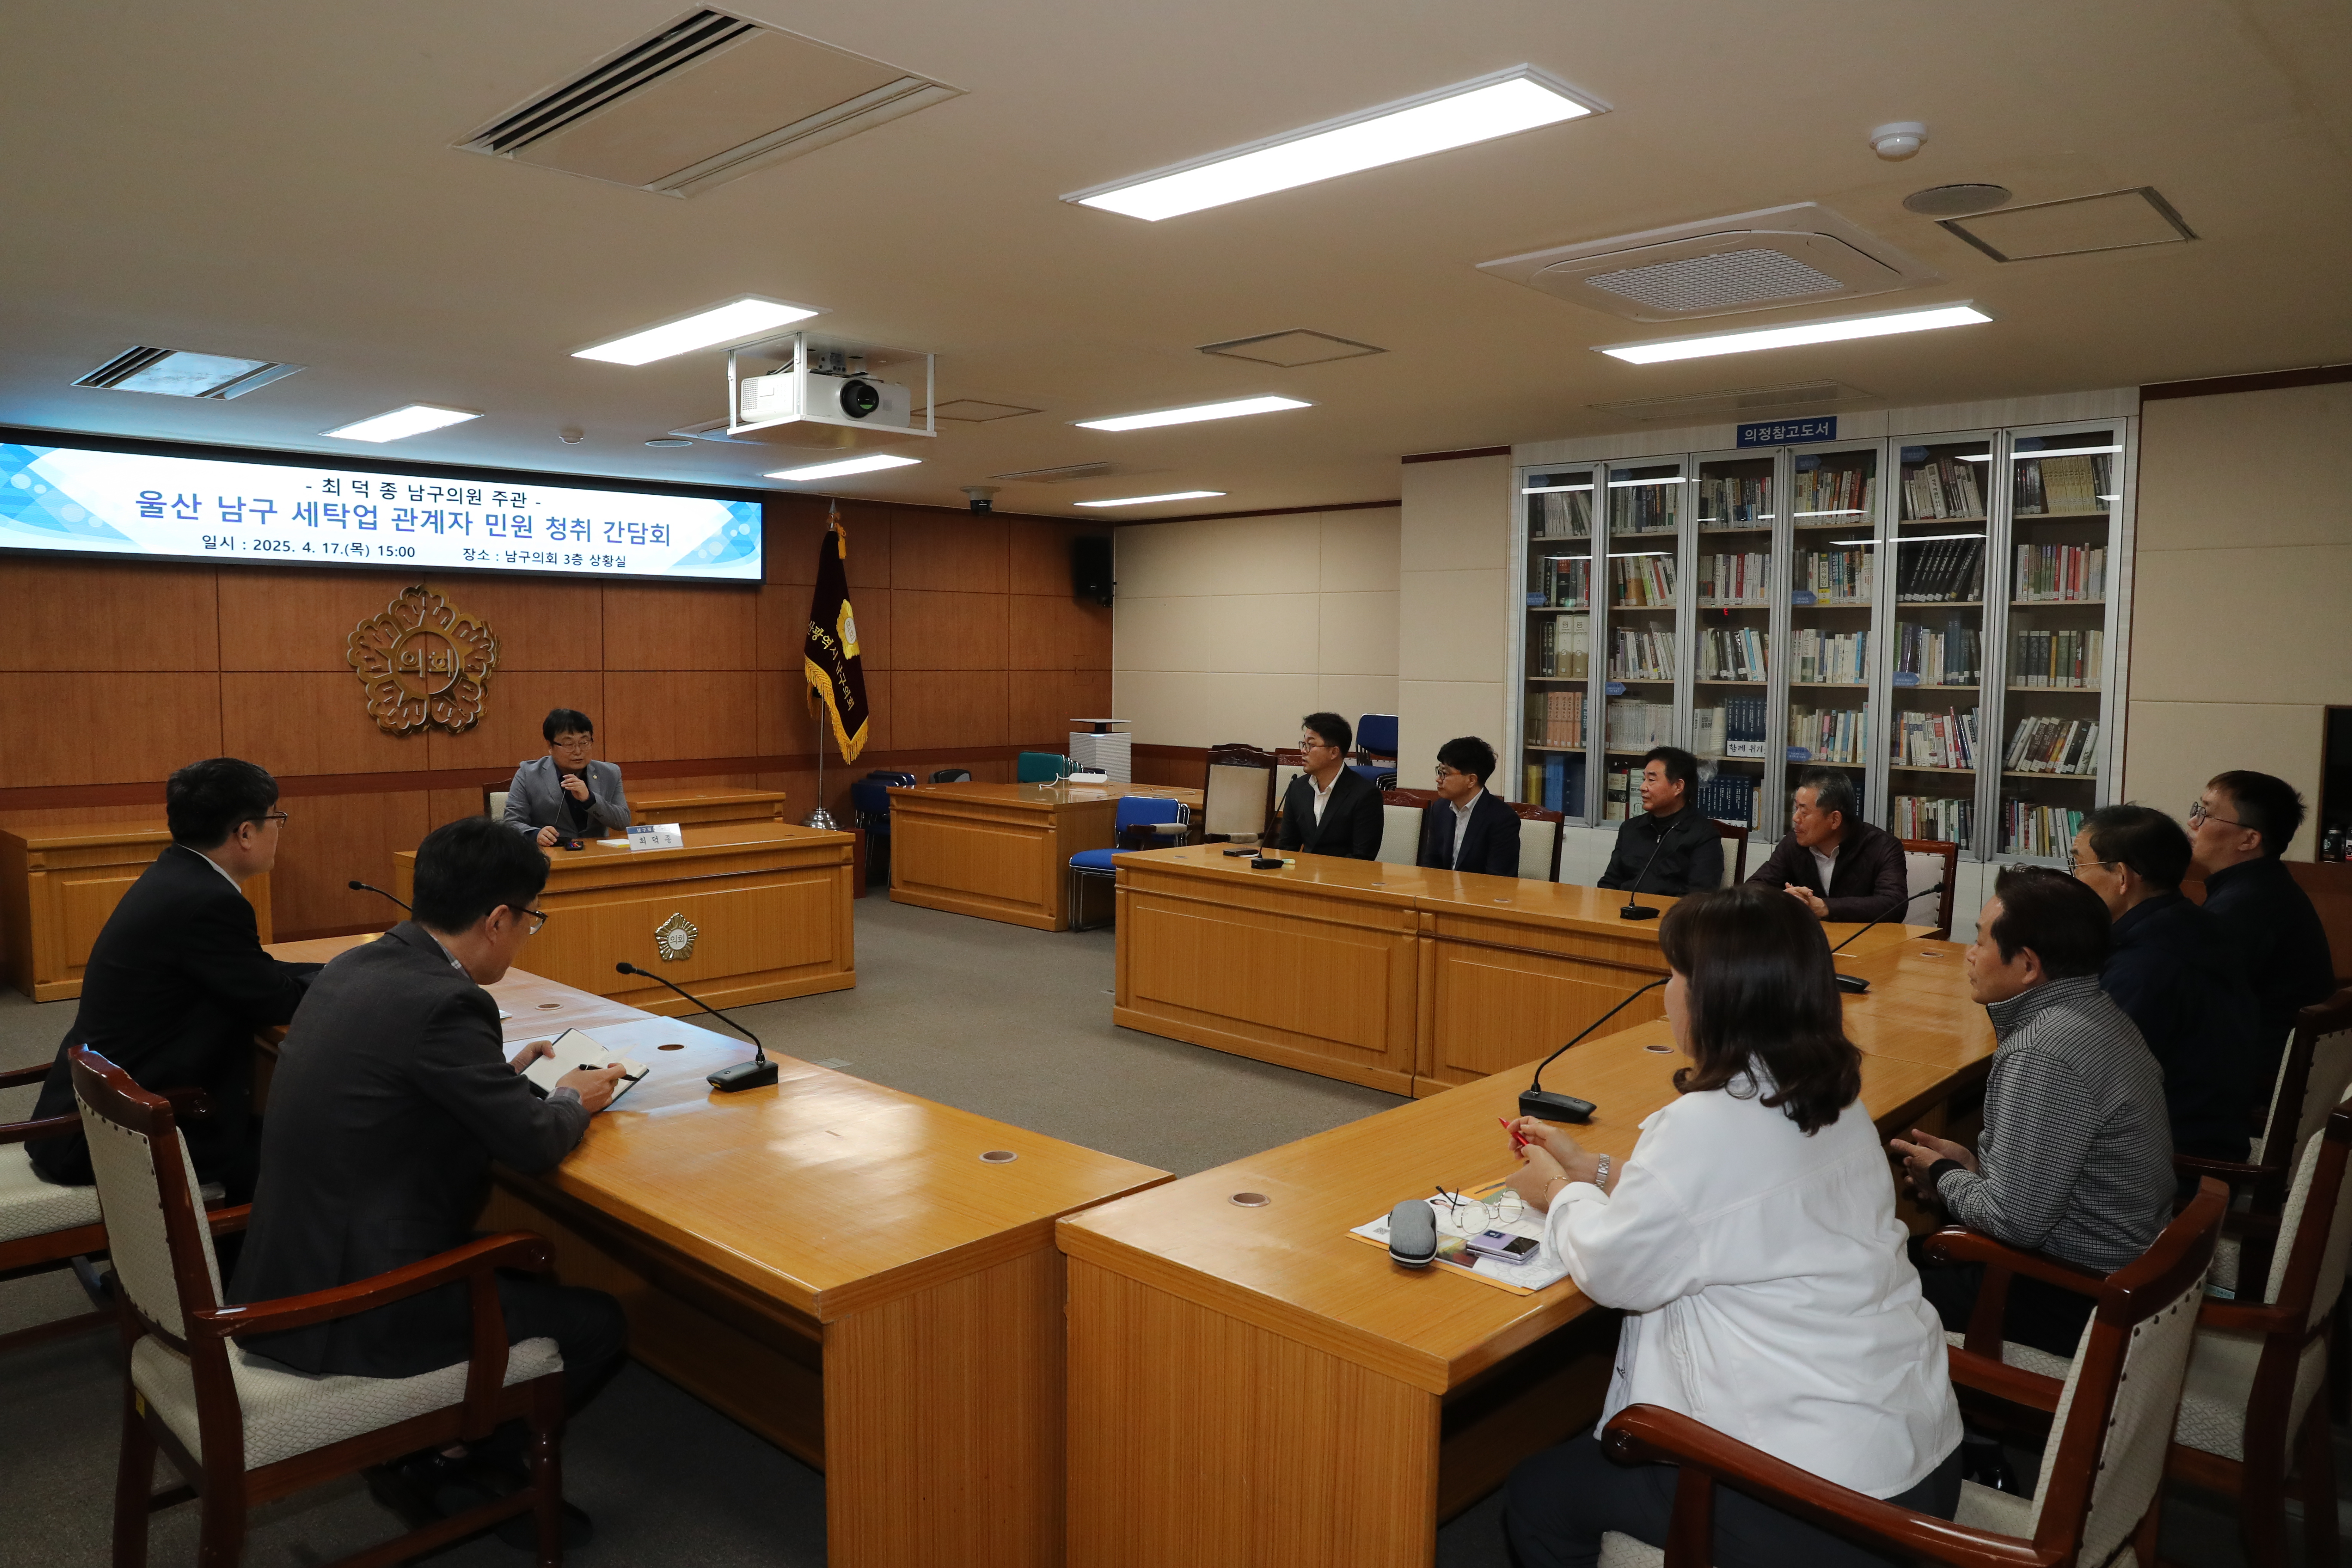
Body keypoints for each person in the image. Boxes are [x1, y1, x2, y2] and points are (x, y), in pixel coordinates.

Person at [1501, 887, 1962, 1568]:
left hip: (1818, 1506)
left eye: (1674, 976)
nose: (1666, 994)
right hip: (1917, 1459)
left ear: (1716, 997)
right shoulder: (1828, 1096)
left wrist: (1559, 1191)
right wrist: (1595, 1169)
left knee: (1537, 1495)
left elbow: (1612, 1270)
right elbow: (1724, 1207)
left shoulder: (1707, 1126)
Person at [230, 816, 628, 1535]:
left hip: (286, 1268)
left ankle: (441, 1444)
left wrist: (497, 1078)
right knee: (599, 1323)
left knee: (531, 1278)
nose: (527, 933)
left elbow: (400, 1083)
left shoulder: (361, 963)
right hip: (360, 1301)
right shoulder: (449, 1001)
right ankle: (451, 1460)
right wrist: (573, 1095)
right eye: (531, 920)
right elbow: (536, 1143)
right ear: (499, 919)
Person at [1890, 868, 2175, 1360]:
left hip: (2075, 1296)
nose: (1971, 954)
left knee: (1865, 1282)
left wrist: (1942, 1175)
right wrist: (1974, 1170)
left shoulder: (2044, 1052)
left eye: (1979, 941)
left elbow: (2016, 1225)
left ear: (2027, 965)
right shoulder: (2095, 1011)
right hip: (2121, 1272)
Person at [27, 757, 320, 1203]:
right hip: (121, 1133)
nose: (279, 828)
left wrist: (325, 972)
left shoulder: (177, 875)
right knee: (306, 1142)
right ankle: (241, 1267)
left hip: (100, 1108)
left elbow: (248, 973)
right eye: (276, 818)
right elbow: (276, 1002)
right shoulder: (208, 902)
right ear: (244, 833)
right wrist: (349, 982)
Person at [2071, 805, 2257, 1162]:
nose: (2074, 880)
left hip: (2168, 1160)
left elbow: (2089, 1075)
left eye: (2079, 866)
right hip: (2208, 1131)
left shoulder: (2147, 964)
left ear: (2122, 877)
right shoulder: (2191, 923)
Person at [2189, 770, 2337, 1092]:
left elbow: (2197, 1003)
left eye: (2207, 812)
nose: (2193, 823)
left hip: (2259, 1075)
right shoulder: (2257, 886)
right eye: (2197, 810)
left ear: (2249, 839)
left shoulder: (2247, 903)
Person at [1743, 768, 1909, 922]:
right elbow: (1752, 889)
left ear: (1835, 820)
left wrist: (1825, 907)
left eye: (1804, 812)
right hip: (1809, 943)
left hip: (1866, 945)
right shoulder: (1793, 843)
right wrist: (1785, 899)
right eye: (1796, 809)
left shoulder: (1883, 847)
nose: (1795, 818)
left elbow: (1894, 904)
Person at [1595, 746, 1723, 897]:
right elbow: (1609, 884)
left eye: (1652, 780)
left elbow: (1698, 899)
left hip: (1670, 918)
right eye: (1644, 779)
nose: (1643, 787)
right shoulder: (1630, 829)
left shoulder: (1703, 835)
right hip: (1622, 914)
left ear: (1678, 787)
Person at [503, 707, 630, 847]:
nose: (578, 751)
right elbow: (511, 823)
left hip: (597, 853)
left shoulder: (610, 772)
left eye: (584, 743)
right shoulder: (529, 774)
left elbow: (623, 822)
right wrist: (536, 834)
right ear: (550, 746)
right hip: (550, 854)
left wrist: (590, 800)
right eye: (569, 744)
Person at [1272, 711, 1383, 860]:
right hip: (1303, 878)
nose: (1303, 751)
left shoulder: (1365, 795)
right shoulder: (1298, 788)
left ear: (1334, 752)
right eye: (1304, 744)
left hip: (1344, 880)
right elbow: (1287, 848)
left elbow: (1362, 857)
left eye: (1311, 745)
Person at [1415, 736, 1522, 876]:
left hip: (1480, 896)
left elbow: (1498, 879)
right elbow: (1431, 863)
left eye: (1445, 773)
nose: (1438, 779)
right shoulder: (1440, 809)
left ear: (1471, 780)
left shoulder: (1503, 819)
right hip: (1443, 894)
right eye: (1439, 771)